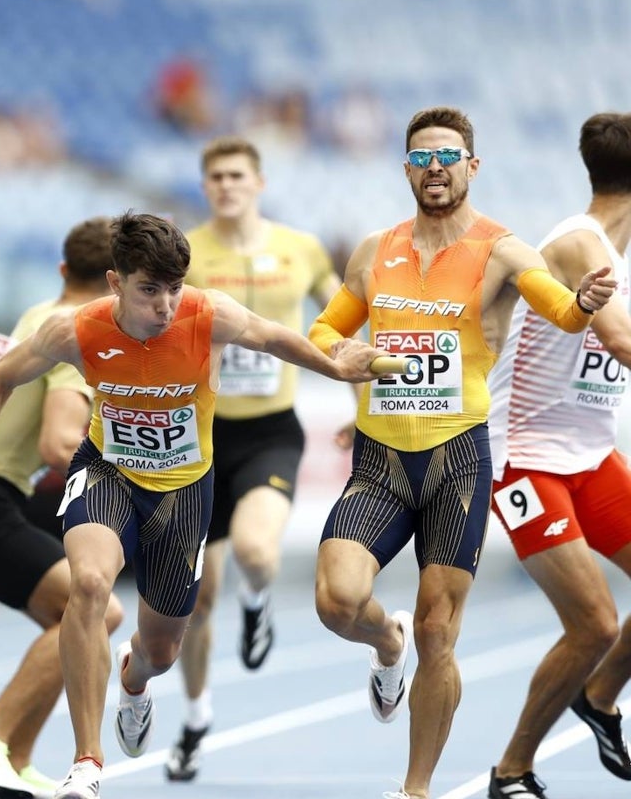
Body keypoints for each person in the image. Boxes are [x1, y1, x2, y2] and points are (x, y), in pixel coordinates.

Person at [0, 212, 387, 799]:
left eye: (174, 288)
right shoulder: (75, 330)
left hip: (184, 494)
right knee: (88, 584)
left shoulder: (205, 314)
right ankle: (87, 762)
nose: (165, 305)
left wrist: (335, 364)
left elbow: (270, 336)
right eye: (149, 290)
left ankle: (134, 683)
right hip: (108, 473)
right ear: (115, 282)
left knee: (160, 651)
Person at [306, 106, 618, 799]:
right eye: (421, 158)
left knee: (437, 631)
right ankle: (381, 644)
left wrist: (588, 301)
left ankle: (414, 789)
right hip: (381, 464)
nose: (435, 169)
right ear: (407, 169)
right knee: (336, 600)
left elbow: (562, 311)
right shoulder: (373, 250)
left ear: (471, 167)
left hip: (460, 466)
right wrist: (341, 354)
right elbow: (326, 326)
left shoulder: (503, 249)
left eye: (447, 157)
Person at [166, 136, 348, 781]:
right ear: (205, 185)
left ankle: (260, 599)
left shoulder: (300, 248)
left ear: (259, 181)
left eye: (237, 174)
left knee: (256, 550)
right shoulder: (186, 251)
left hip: (270, 430)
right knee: (193, 599)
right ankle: (194, 717)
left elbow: (344, 309)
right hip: (199, 437)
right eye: (214, 176)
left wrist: (364, 385)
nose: (226, 185)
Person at [0, 216, 125, 799]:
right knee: (99, 614)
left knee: (71, 626)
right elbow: (57, 443)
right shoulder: (76, 331)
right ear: (117, 284)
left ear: (65, 270)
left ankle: (12, 760)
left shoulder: (37, 314)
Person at [484, 112, 631, 799]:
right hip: (526, 458)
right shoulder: (578, 243)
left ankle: (598, 699)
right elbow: (623, 343)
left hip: (590, 453)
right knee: (596, 621)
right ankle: (512, 768)